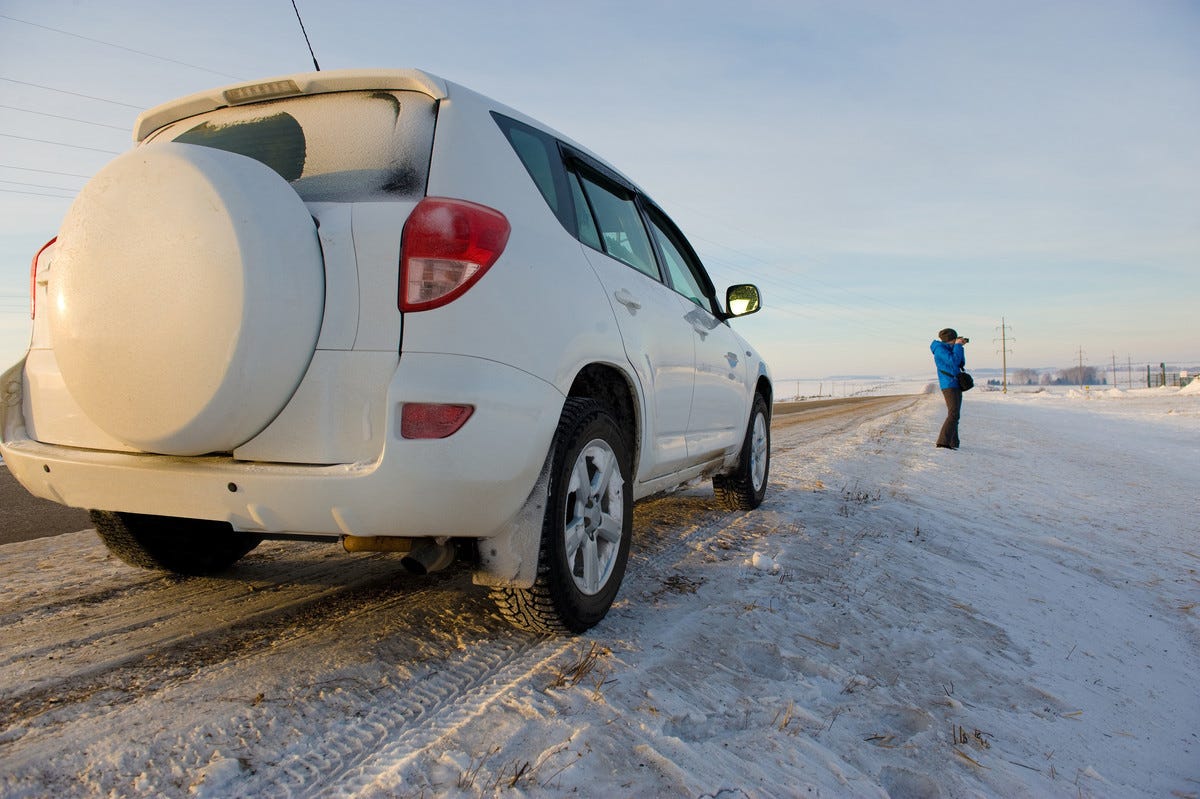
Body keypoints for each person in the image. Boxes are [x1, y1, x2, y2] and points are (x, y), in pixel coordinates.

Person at [930, 328, 968, 449]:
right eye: (954, 340)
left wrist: (960, 347)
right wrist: (957, 346)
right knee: (953, 414)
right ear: (949, 340)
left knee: (955, 414)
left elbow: (961, 363)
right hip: (949, 385)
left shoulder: (949, 348)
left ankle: (953, 442)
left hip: (955, 384)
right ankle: (942, 442)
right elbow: (954, 361)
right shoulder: (940, 349)